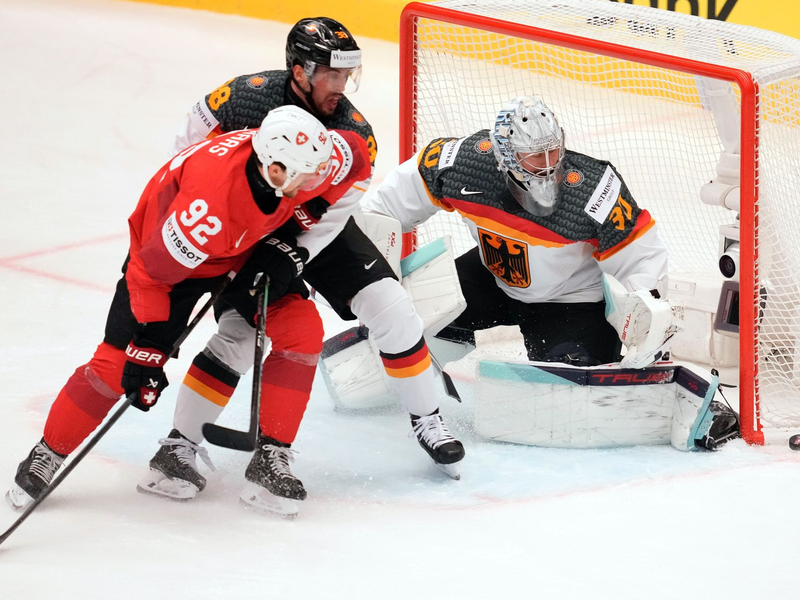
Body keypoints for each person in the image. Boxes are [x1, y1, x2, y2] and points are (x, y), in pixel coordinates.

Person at [137, 16, 464, 516]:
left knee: (390, 304)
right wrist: (204, 227)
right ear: (299, 70)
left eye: (347, 76)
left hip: (312, 223)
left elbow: (337, 209)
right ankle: (180, 444)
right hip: (244, 225)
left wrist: (294, 250)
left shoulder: (354, 134)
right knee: (239, 334)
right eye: (332, 75)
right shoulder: (240, 98)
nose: (341, 88)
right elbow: (183, 158)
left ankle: (428, 417)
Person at [360, 95, 739, 449]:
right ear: (504, 156)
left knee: (568, 400)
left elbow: (642, 259)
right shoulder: (461, 163)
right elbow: (383, 209)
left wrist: (643, 319)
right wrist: (367, 276)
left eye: (552, 152)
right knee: (410, 318)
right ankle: (395, 386)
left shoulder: (592, 189)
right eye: (533, 157)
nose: (547, 166)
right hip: (492, 277)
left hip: (572, 303)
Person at [6, 105, 335, 510]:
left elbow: (345, 167)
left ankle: (270, 457)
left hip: (241, 249)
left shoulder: (292, 159)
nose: (313, 184)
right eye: (304, 178)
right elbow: (151, 273)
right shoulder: (209, 209)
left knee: (302, 329)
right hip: (168, 263)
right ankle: (48, 453)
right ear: (274, 169)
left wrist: (293, 234)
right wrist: (148, 348)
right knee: (117, 367)